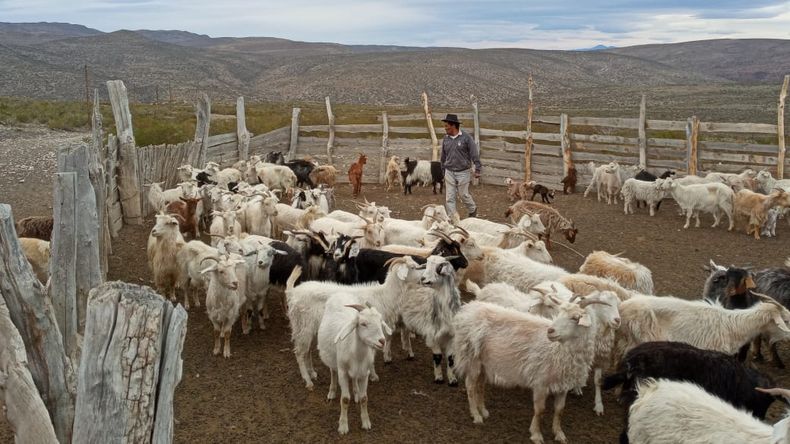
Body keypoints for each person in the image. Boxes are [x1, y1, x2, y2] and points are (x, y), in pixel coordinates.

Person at [440, 113, 482, 218]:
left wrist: (478, 168)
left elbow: (474, 153)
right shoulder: (446, 139)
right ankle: (452, 218)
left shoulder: (466, 138)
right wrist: (443, 169)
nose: (445, 128)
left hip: (463, 171)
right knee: (449, 197)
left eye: (446, 126)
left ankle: (472, 209)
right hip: (449, 171)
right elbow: (443, 156)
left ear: (453, 125)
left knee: (463, 195)